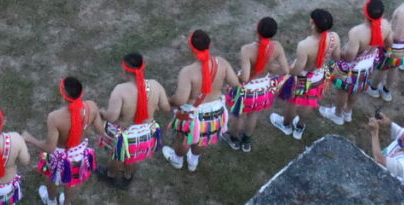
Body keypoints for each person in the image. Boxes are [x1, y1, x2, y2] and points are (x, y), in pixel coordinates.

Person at [163, 30, 240, 171]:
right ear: (209, 45)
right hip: (216, 113)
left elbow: (180, 100)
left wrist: (168, 100)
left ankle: (177, 160)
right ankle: (193, 161)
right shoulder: (222, 63)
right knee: (203, 139)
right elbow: (235, 83)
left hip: (193, 115)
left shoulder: (188, 72)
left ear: (191, 48)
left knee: (185, 139)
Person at [25, 77, 102, 203]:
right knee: (72, 182)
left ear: (63, 95)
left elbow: (50, 148)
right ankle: (67, 202)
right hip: (80, 154)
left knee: (53, 178)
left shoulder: (55, 117)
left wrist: (30, 139)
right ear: (81, 92)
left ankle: (51, 201)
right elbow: (99, 129)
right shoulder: (91, 107)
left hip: (59, 156)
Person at [98, 52, 168, 188]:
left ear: (125, 70)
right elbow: (165, 107)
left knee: (117, 155)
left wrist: (101, 112)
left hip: (124, 134)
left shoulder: (120, 90)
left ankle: (111, 175)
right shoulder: (155, 85)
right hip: (145, 132)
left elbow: (112, 117)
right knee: (132, 156)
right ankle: (128, 176)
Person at [270, 9, 339, 139]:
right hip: (319, 76)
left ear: (312, 23)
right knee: (309, 102)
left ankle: (286, 125)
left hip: (302, 79)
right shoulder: (334, 37)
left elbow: (297, 70)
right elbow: (336, 57)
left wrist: (284, 70)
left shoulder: (304, 45)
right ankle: (300, 127)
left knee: (292, 102)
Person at [224, 16, 290, 151]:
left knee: (238, 115)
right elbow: (285, 69)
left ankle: (234, 138)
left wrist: (236, 77)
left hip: (246, 91)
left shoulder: (246, 50)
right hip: (263, 89)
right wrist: (270, 68)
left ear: (257, 30)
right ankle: (247, 141)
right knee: (253, 115)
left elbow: (246, 77)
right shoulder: (277, 47)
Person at [322, 0, 391, 125]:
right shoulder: (386, 25)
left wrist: (337, 51)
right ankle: (348, 112)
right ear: (382, 14)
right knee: (357, 89)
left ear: (364, 12)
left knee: (343, 90)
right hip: (368, 65)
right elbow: (388, 43)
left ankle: (337, 115)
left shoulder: (357, 32)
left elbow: (349, 57)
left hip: (352, 68)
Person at [367, 114, 404, 185]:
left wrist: (374, 133)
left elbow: (380, 160)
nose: (399, 137)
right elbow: (400, 131)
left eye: (402, 140)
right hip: (375, 167)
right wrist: (388, 123)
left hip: (381, 182)